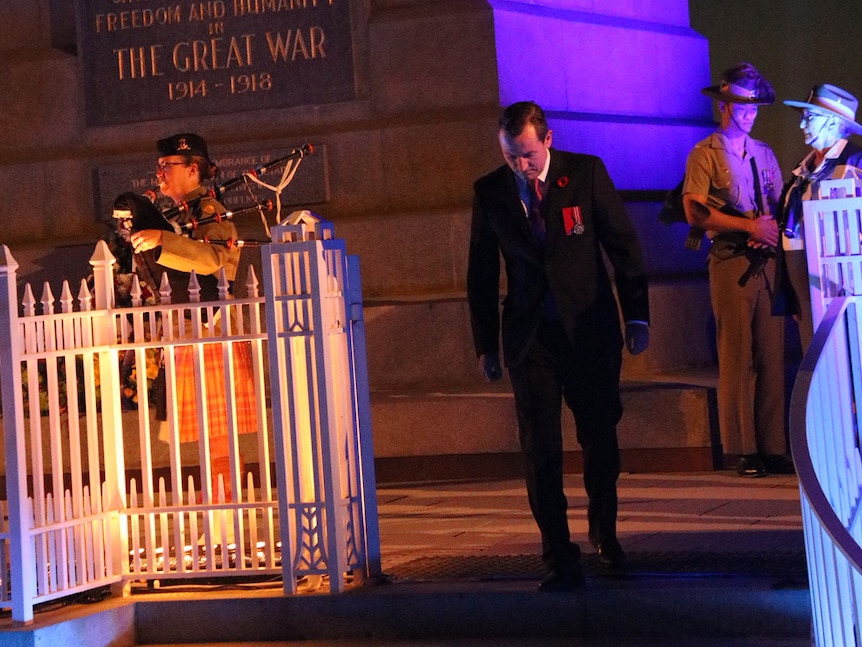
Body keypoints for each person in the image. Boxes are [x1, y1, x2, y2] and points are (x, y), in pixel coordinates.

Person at [467, 101, 650, 591]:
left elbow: (623, 246)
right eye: (510, 156)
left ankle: (605, 536)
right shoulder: (490, 192)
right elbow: (480, 273)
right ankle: (557, 554)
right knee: (540, 449)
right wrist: (486, 345)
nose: (520, 166)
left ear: (546, 141)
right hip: (531, 338)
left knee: (600, 439)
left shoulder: (585, 174)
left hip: (588, 332)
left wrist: (637, 315)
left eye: (526, 155)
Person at [129, 133, 258, 503]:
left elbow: (217, 261)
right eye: (159, 166)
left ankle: (225, 518)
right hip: (188, 332)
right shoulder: (177, 213)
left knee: (218, 436)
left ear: (193, 168)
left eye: (167, 166)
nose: (160, 173)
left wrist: (162, 240)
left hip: (211, 332)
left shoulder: (210, 213)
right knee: (203, 435)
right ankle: (218, 515)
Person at [682, 63, 789, 478]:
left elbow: (780, 206)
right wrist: (749, 227)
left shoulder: (764, 154)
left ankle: (773, 446)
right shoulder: (704, 153)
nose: (749, 113)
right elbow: (694, 210)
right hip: (730, 261)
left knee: (772, 356)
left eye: (754, 106)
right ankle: (744, 448)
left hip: (768, 262)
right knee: (737, 355)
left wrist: (772, 232)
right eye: (742, 105)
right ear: (724, 104)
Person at [778, 84, 862, 352]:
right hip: (807, 290)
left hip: (846, 285)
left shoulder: (856, 164)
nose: (802, 123)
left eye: (810, 117)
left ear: (835, 123)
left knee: (848, 359)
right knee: (815, 360)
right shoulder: (801, 172)